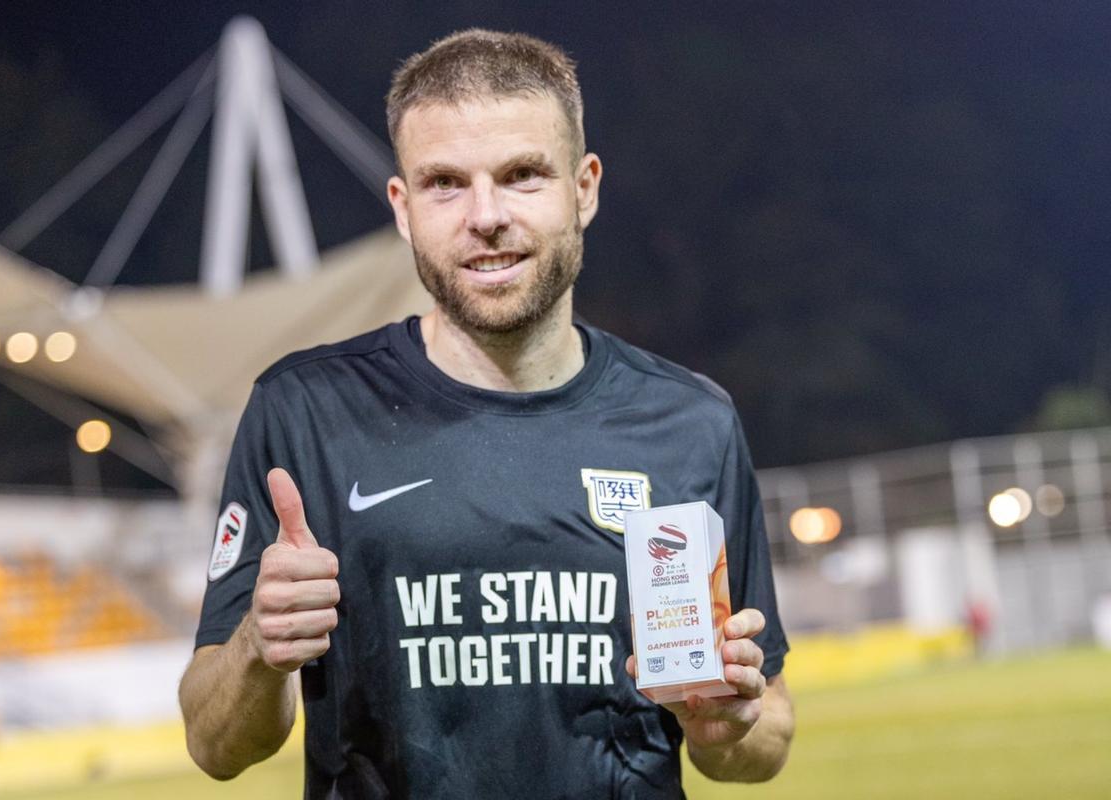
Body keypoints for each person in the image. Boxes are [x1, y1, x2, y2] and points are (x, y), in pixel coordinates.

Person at [179, 29, 794, 798]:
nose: (486, 215)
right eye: (445, 183)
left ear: (585, 187)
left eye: (522, 174)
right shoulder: (302, 412)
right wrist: (256, 650)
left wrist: (727, 723)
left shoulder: (689, 421)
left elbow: (762, 737)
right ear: (403, 207)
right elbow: (213, 743)